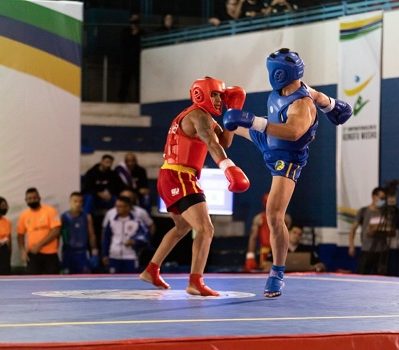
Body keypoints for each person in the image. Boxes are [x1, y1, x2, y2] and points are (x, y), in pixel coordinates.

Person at [223, 48, 352, 297]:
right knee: (228, 120)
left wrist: (253, 121)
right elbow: (322, 98)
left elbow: (293, 132)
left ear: (278, 74)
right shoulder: (298, 89)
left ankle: (277, 273)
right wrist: (333, 106)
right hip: (268, 140)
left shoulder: (301, 103)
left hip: (287, 157)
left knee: (273, 215)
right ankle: (219, 157)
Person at [139, 76, 250, 296]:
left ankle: (151, 270)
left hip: (173, 175)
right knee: (205, 229)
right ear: (200, 95)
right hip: (179, 176)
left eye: (221, 95)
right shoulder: (198, 116)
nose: (219, 100)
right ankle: (195, 281)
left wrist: (234, 110)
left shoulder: (203, 117)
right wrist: (229, 168)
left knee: (182, 227)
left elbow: (224, 141)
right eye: (215, 95)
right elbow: (211, 144)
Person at [348, 187, 396, 275]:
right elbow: (353, 229)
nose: (383, 201)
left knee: (381, 277)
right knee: (362, 275)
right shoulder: (363, 211)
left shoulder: (386, 213)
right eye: (381, 198)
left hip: (382, 250)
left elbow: (392, 231)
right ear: (374, 197)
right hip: (367, 249)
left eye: (384, 199)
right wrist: (351, 245)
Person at [17, 188, 61, 274]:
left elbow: (56, 230)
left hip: (50, 254)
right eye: (29, 198)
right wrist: (22, 251)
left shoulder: (51, 211)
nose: (32, 200)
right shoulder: (24, 215)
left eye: (34, 198)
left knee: (53, 283)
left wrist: (39, 245)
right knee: (32, 283)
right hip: (33, 255)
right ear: (26, 200)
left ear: (39, 198)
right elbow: (20, 234)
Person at [102, 196, 149, 273]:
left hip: (130, 257)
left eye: (121, 206)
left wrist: (134, 242)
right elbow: (106, 239)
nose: (118, 208)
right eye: (117, 206)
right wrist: (105, 255)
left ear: (128, 207)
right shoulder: (111, 221)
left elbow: (145, 238)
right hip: (114, 256)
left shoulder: (137, 222)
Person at [245, 192, 291, 271]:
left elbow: (289, 236)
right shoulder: (259, 218)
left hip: (280, 250)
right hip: (266, 250)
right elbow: (253, 237)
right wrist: (250, 255)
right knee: (267, 271)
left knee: (282, 271)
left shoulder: (286, 218)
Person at [61, 192, 98, 274]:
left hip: (82, 253)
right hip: (68, 253)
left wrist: (94, 251)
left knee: (85, 279)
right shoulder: (64, 217)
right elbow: (63, 235)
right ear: (70, 202)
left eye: (80, 201)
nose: (78, 204)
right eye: (75, 201)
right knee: (67, 280)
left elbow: (91, 235)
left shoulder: (87, 217)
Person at [118, 13, 144, 102]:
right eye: (133, 20)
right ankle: (122, 99)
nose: (134, 23)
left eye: (136, 20)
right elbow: (123, 45)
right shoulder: (125, 32)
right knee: (125, 81)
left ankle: (138, 100)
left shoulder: (142, 33)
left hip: (138, 61)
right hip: (127, 61)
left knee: (138, 83)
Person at [0, 197, 11, 275]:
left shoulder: (7, 221)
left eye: (6, 205)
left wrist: (9, 251)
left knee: (5, 273)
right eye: (3, 205)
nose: (6, 208)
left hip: (4, 251)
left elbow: (8, 237)